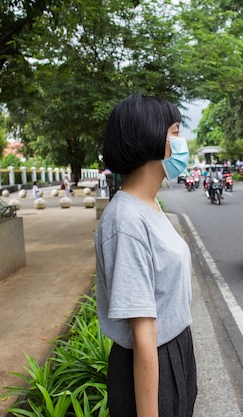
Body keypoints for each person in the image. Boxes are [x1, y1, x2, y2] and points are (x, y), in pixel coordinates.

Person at [95, 94, 197, 417]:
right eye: (176, 132)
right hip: (152, 364)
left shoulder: (149, 205)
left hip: (174, 351)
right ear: (151, 137)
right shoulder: (126, 220)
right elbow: (144, 335)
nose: (182, 142)